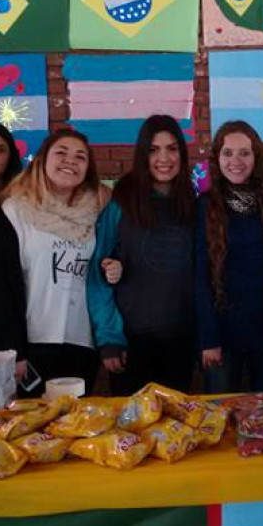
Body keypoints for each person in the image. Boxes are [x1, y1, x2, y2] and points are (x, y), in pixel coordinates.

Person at [0, 129, 109, 393]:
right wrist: (14, 350)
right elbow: (1, 288)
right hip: (33, 342)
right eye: (61, 152)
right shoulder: (14, 211)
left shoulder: (98, 214)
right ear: (41, 160)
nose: (70, 161)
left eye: (80, 156)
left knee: (76, 426)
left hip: (82, 341)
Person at [89, 115, 197, 396]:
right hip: (131, 344)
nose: (164, 158)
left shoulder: (192, 204)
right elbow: (98, 274)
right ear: (142, 154)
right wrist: (109, 339)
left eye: (172, 148)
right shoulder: (121, 202)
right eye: (153, 149)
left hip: (181, 342)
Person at [195, 120, 263, 394]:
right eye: (228, 153)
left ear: (256, 157)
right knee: (222, 417)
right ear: (217, 158)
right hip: (221, 338)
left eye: (244, 153)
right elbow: (201, 277)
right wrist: (208, 338)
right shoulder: (205, 206)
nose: (235, 161)